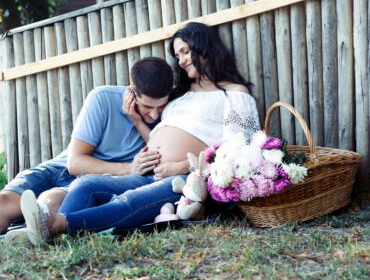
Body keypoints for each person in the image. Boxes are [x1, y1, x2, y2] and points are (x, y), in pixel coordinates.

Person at [13, 22, 261, 246]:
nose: (182, 60)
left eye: (186, 51)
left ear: (205, 47)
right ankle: (47, 234)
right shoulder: (182, 94)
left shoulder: (234, 94)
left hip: (187, 180)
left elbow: (237, 152)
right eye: (178, 55)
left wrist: (179, 166)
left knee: (130, 199)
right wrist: (137, 122)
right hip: (152, 173)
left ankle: (56, 225)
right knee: (85, 184)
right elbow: (161, 140)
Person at [0, 57, 174, 236]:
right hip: (60, 168)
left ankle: (25, 233)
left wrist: (138, 122)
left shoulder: (170, 114)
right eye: (147, 107)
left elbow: (159, 156)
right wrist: (130, 168)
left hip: (93, 182)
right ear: (131, 93)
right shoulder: (102, 98)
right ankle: (23, 229)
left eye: (160, 107)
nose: (154, 115)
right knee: (4, 204)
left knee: (49, 204)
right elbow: (74, 163)